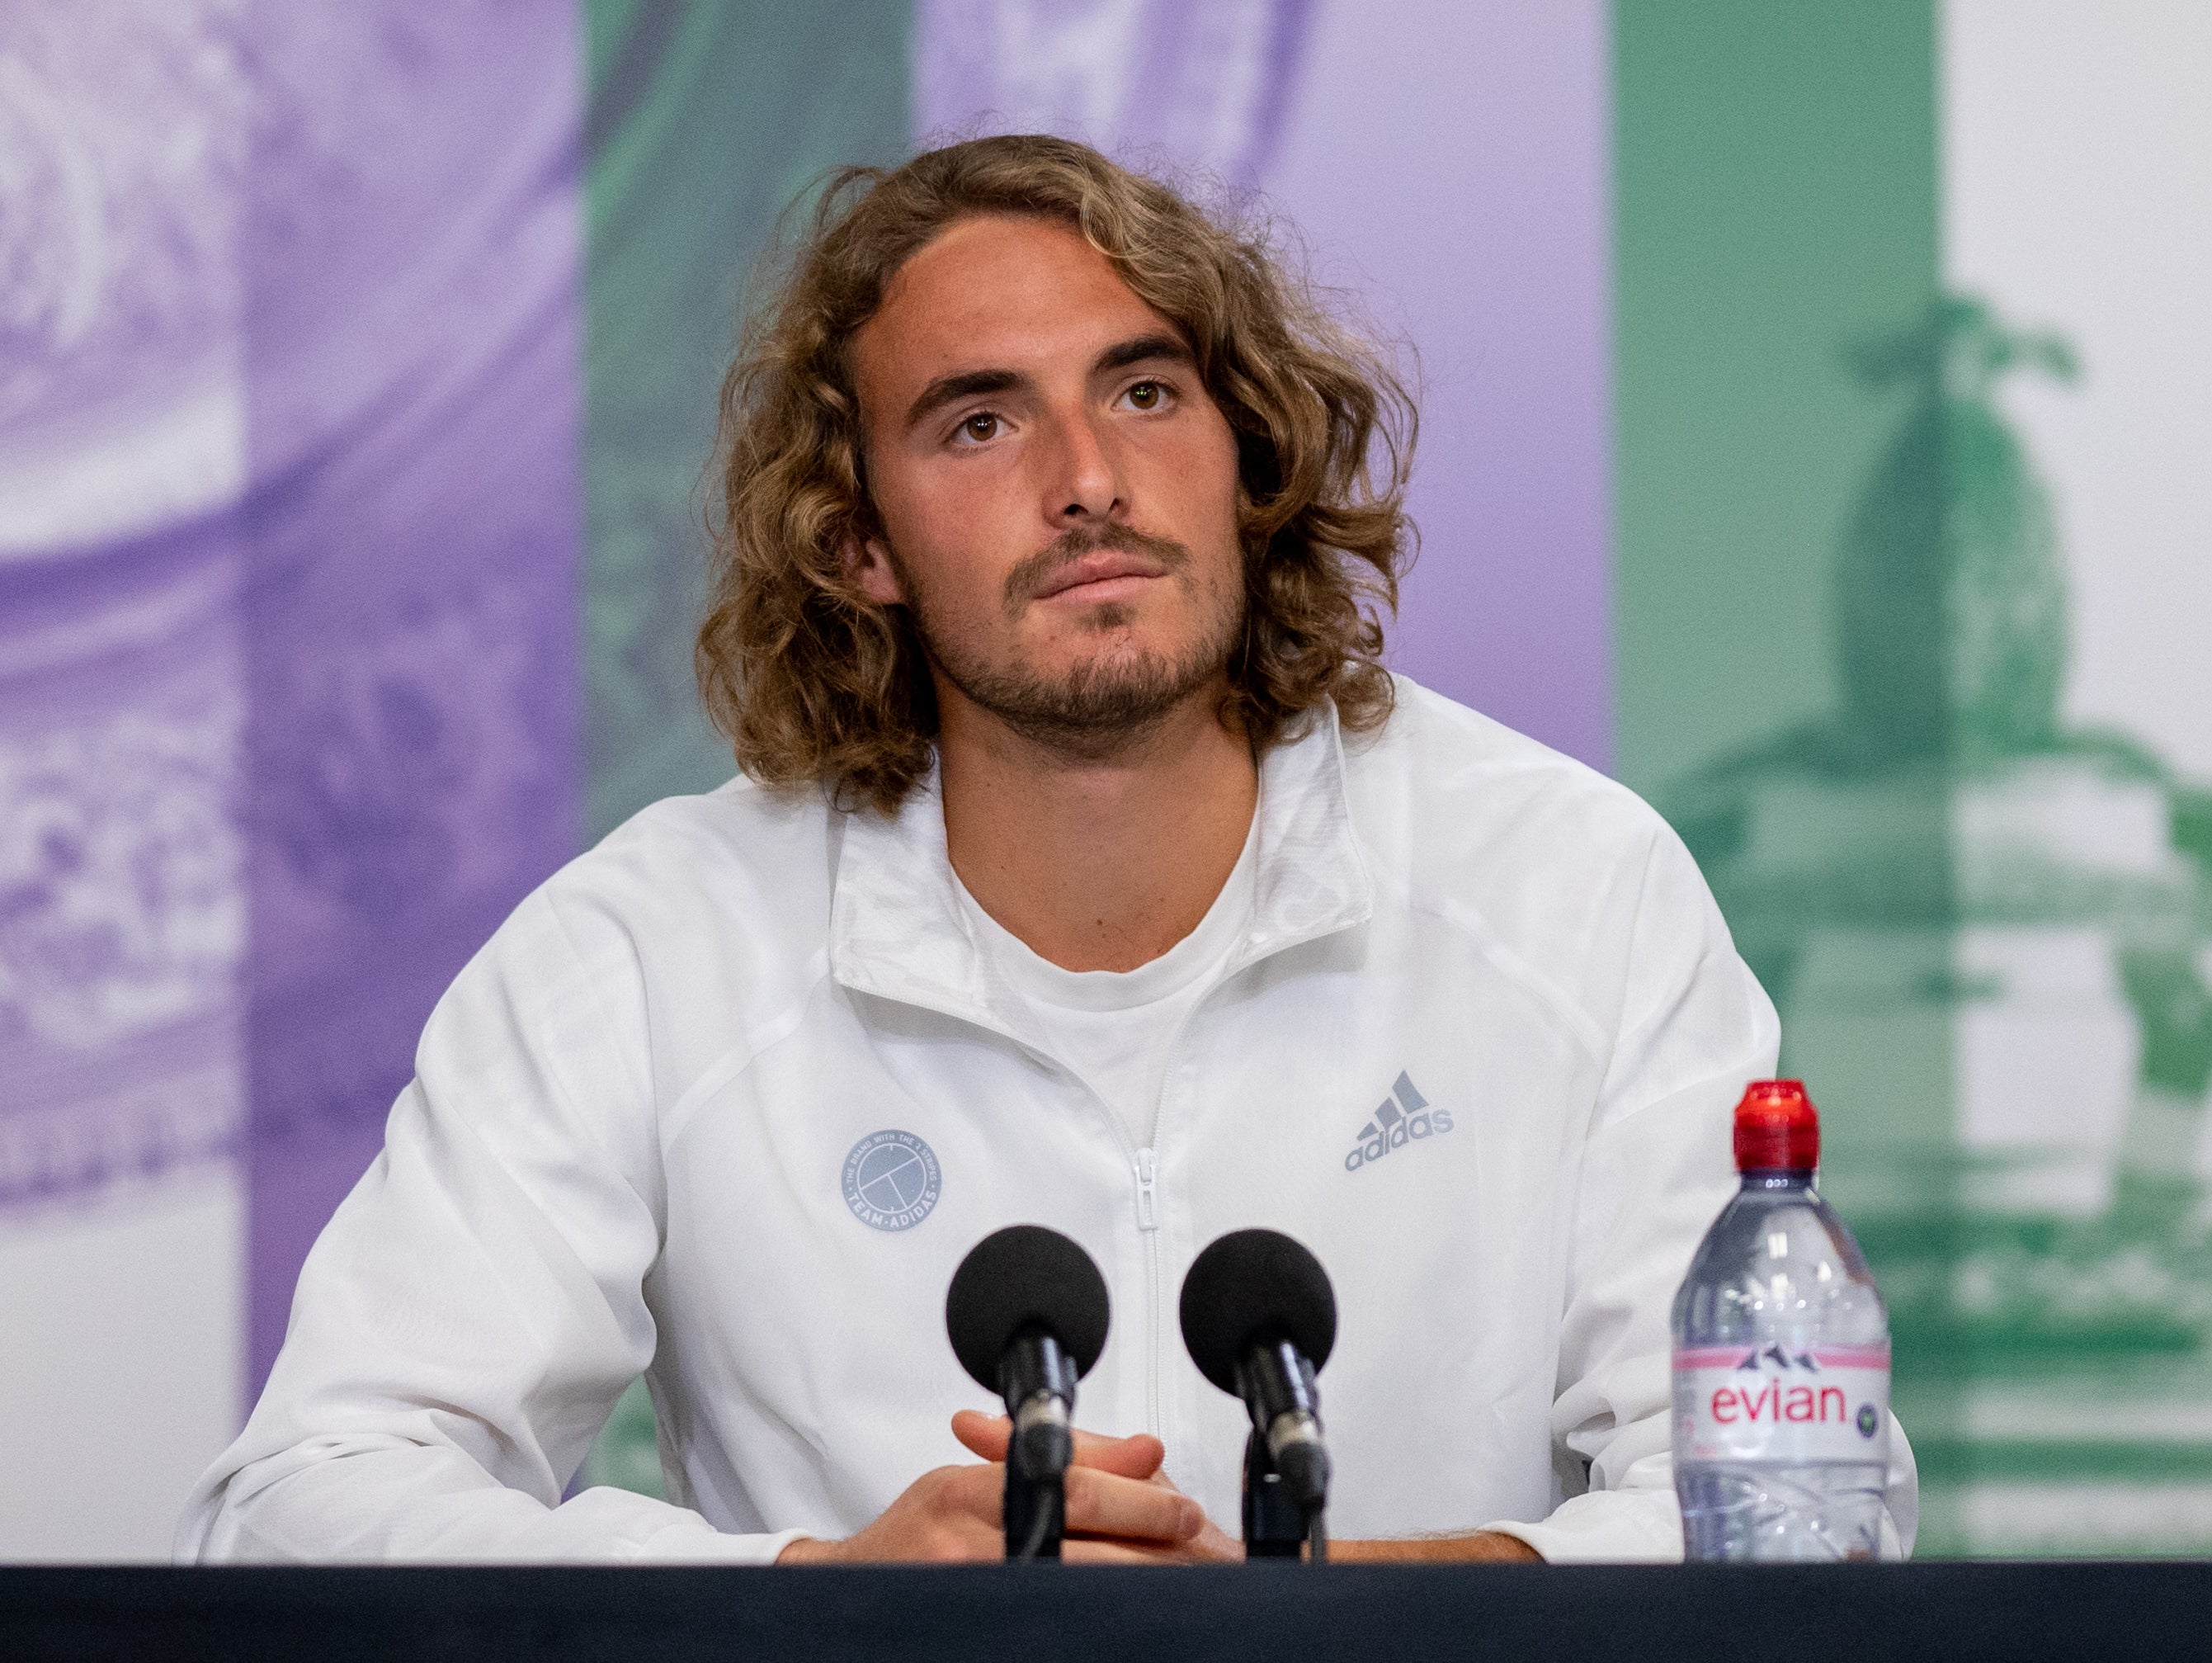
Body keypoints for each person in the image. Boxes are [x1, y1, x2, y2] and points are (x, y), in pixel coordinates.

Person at [181, 135, 1914, 1565]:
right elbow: (300, 1503)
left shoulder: (1570, 889)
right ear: (857, 540)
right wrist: (817, 1600)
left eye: (1146, 391)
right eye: (982, 422)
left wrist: (1318, 1616)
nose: (1088, 479)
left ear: (1247, 456)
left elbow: (1812, 1509)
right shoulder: (653, 948)